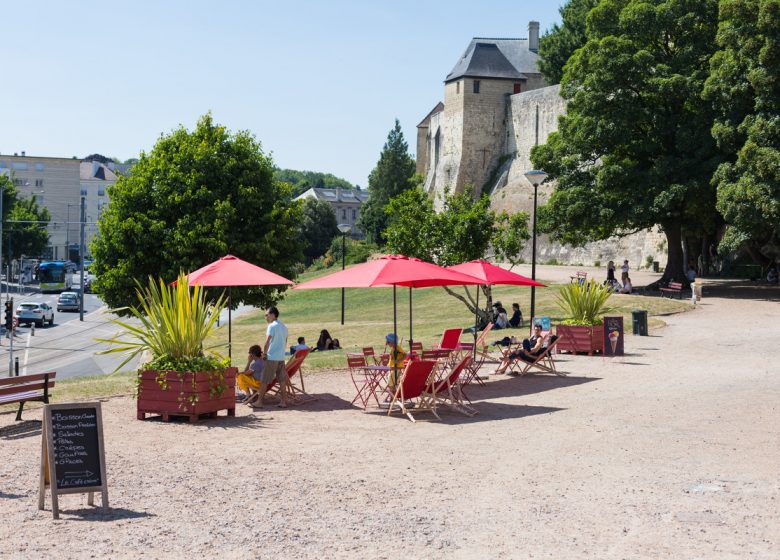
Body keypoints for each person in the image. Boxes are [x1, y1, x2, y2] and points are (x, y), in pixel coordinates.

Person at [251, 306, 289, 409]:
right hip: (281, 357)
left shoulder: (272, 326)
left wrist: (264, 354)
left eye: (266, 315)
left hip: (272, 357)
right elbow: (285, 342)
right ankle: (283, 402)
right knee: (281, 380)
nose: (265, 317)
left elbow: (267, 342)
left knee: (264, 380)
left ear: (273, 315)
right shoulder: (284, 326)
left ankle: (259, 402)